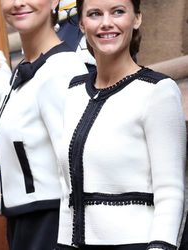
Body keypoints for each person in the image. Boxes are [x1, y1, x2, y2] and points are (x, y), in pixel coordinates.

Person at [55, 0, 187, 249]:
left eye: (118, 11)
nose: (106, 23)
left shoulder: (157, 92)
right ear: (82, 24)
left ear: (136, 18)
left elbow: (171, 192)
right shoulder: (74, 92)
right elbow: (67, 193)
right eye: (95, 14)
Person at [0, 0, 89, 249]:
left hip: (52, 226)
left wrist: (6, 96)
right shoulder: (28, 68)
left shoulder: (62, 69)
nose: (18, 3)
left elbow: (78, 171)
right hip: (23, 225)